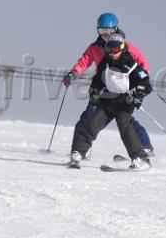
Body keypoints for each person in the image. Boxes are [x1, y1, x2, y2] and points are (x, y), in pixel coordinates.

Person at [63, 13, 153, 158]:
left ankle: (145, 149)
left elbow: (141, 63)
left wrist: (142, 81)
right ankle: (78, 151)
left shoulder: (125, 46)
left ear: (115, 29)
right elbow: (84, 62)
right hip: (103, 90)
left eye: (108, 31)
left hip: (123, 90)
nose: (105, 34)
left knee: (126, 122)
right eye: (101, 30)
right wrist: (73, 74)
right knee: (89, 119)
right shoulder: (95, 48)